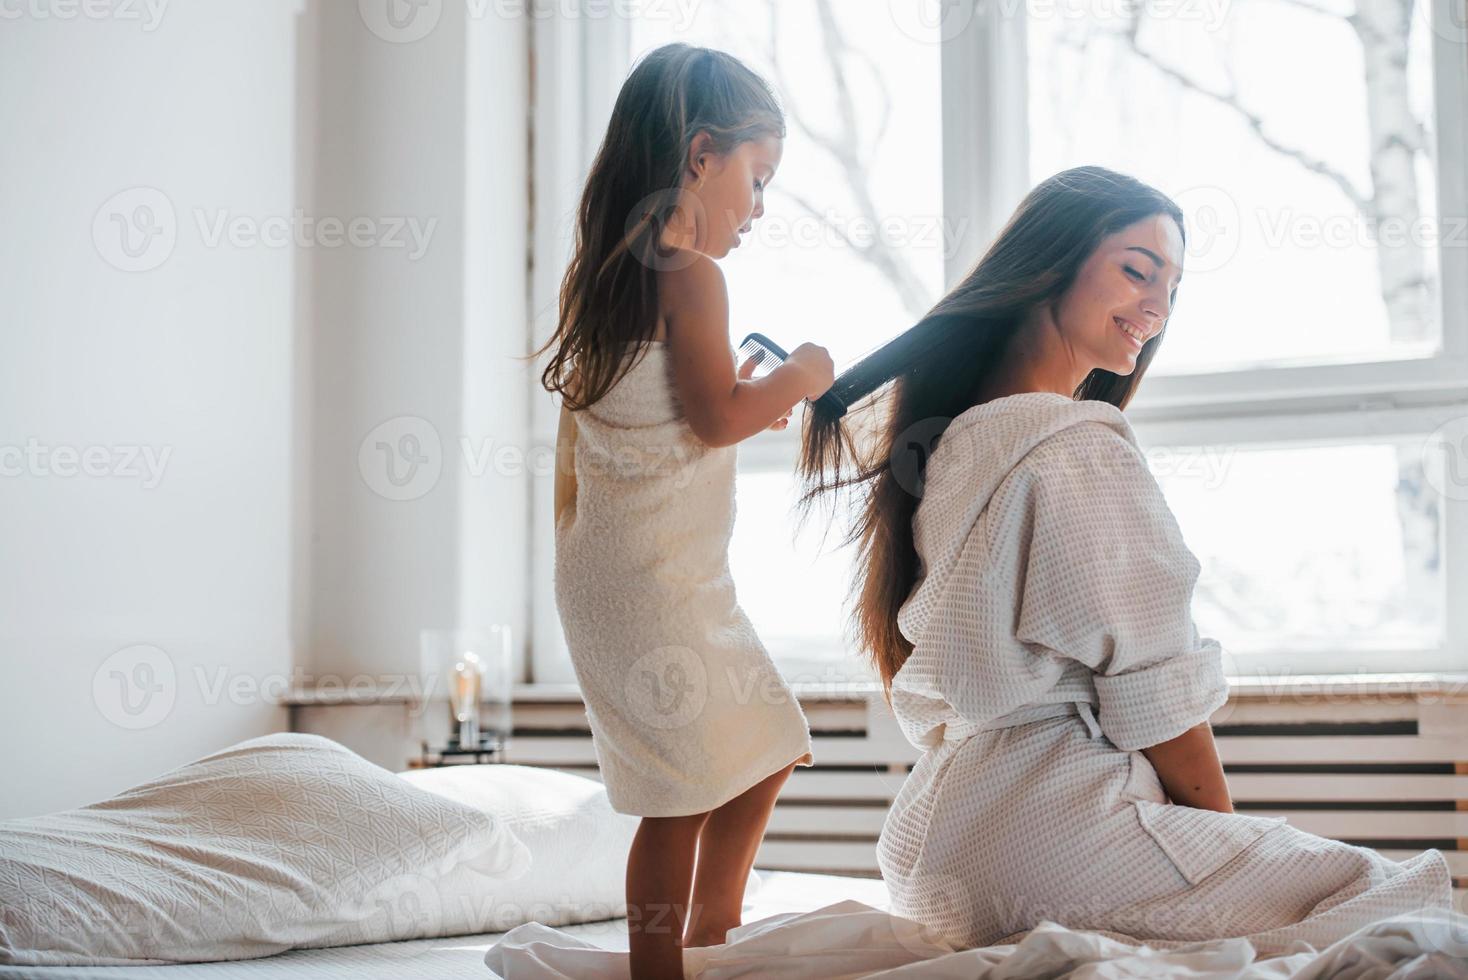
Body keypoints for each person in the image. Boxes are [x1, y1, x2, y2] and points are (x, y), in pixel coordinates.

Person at [795, 165, 1455, 955]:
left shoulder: (955, 442)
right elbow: (1159, 696)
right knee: (1394, 894)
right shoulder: (1073, 445)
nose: (1157, 307)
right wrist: (1221, 848)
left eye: (1172, 288)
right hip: (1049, 837)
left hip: (935, 846)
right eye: (1137, 271)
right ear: (1051, 263)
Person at [530, 42, 834, 978]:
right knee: (679, 793)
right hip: (659, 579)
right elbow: (713, 420)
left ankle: (713, 935)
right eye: (758, 176)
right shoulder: (691, 273)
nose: (759, 205)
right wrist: (801, 375)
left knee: (767, 742)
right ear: (702, 154)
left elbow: (667, 412)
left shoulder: (614, 272)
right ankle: (666, 962)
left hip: (629, 576)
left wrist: (742, 391)